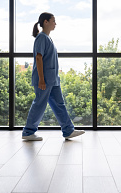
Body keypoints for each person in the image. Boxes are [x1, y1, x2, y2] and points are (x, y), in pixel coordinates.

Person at [22, 12, 85, 141]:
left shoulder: (48, 38)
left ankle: (68, 130)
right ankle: (28, 132)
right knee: (39, 104)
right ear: (46, 22)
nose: (55, 23)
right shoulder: (41, 38)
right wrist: (41, 79)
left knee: (59, 104)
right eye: (53, 21)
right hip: (44, 80)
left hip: (53, 79)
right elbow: (38, 58)